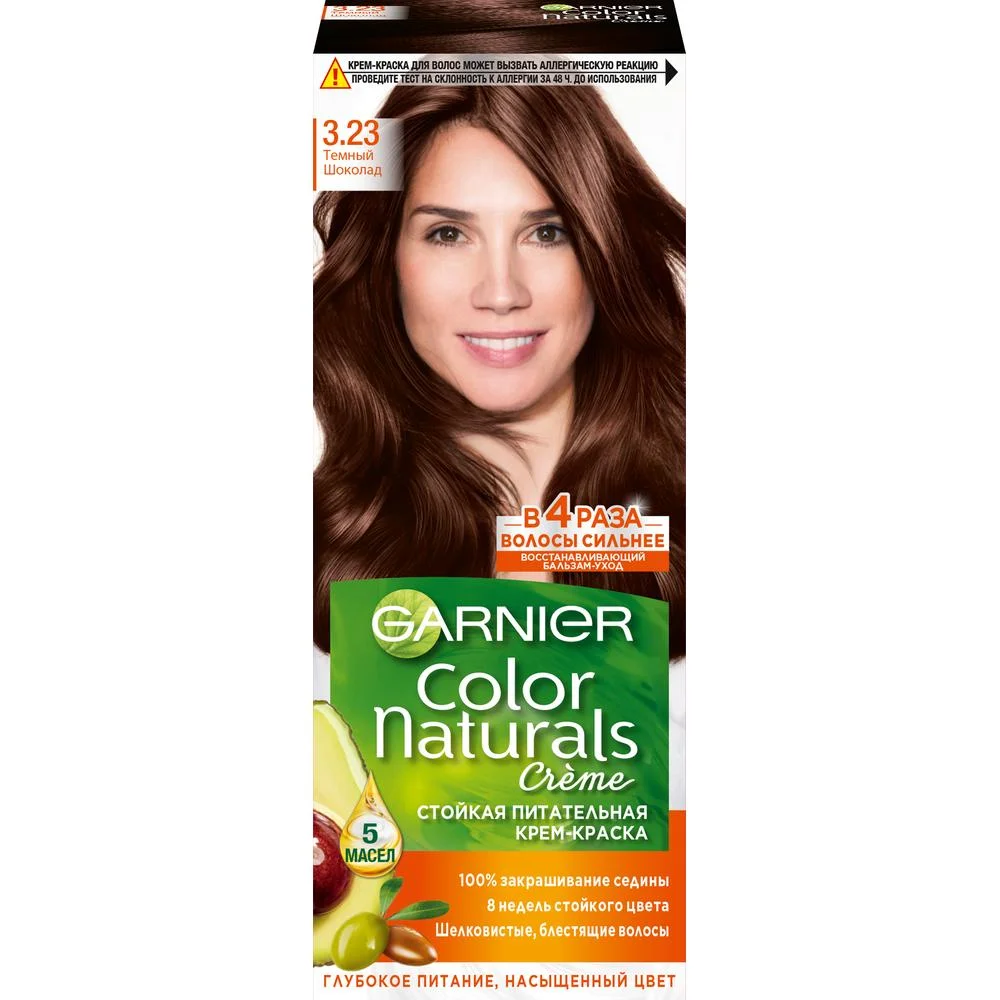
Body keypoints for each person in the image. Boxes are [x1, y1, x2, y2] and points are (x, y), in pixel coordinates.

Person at [314, 85, 685, 658]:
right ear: (387, 260)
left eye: (547, 233)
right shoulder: (319, 547)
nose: (502, 293)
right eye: (448, 234)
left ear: (607, 254)